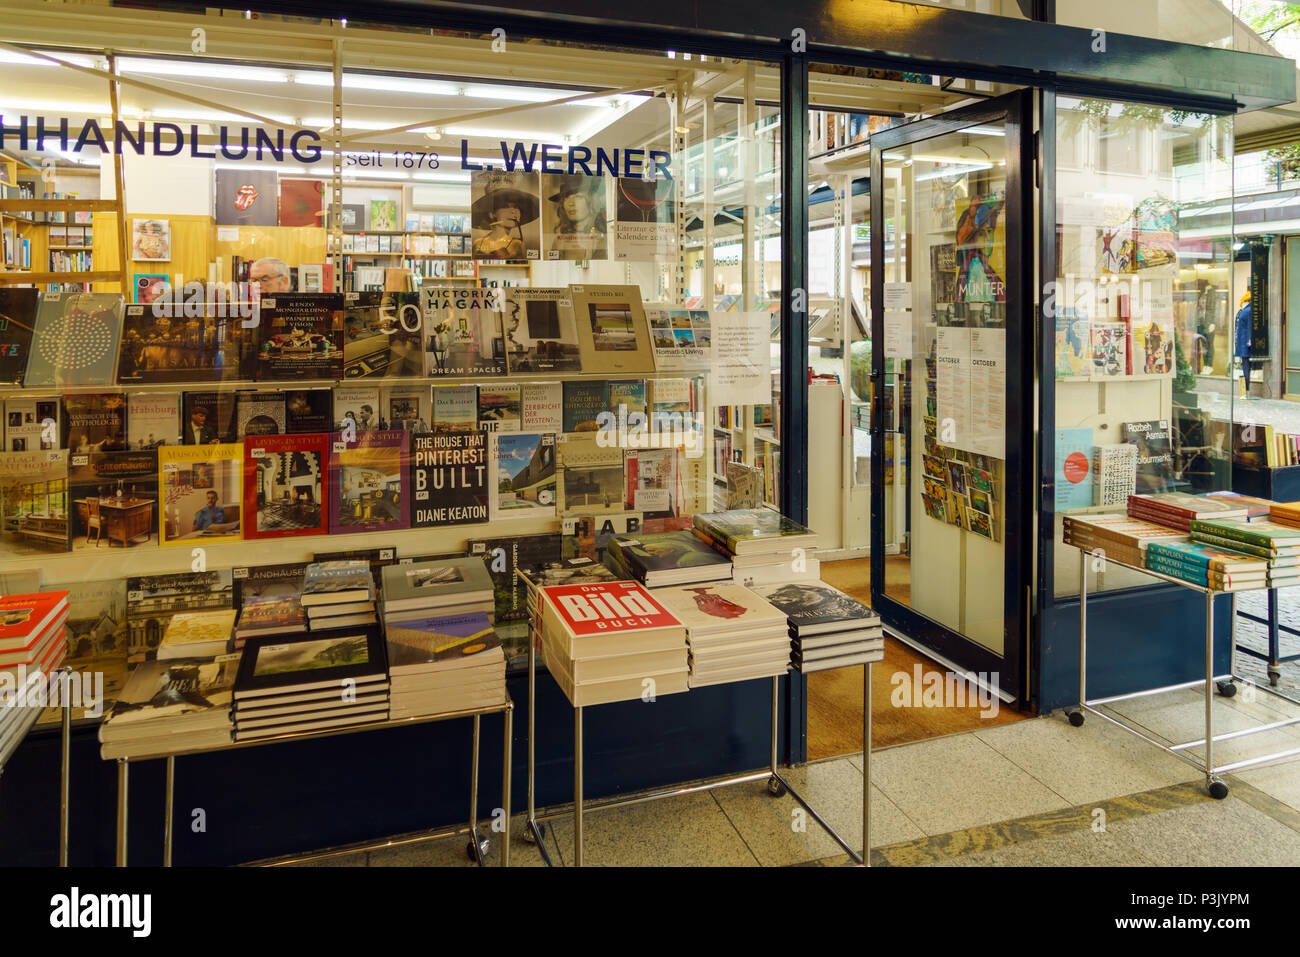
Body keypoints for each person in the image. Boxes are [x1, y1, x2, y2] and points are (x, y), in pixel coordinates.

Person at [1235, 291, 1253, 397]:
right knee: (1245, 365)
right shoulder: (1243, 310)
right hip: (1242, 341)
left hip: (1245, 343)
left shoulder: (1249, 310)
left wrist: (1250, 340)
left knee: (1246, 366)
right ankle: (1245, 390)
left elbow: (1250, 326)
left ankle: (1246, 390)